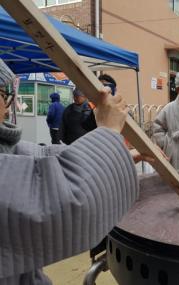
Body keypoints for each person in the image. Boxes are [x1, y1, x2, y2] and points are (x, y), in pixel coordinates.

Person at [0, 62, 149, 284]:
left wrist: (122, 154)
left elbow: (41, 157)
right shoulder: (67, 110)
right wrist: (107, 133)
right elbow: (62, 196)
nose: (8, 107)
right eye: (5, 95)